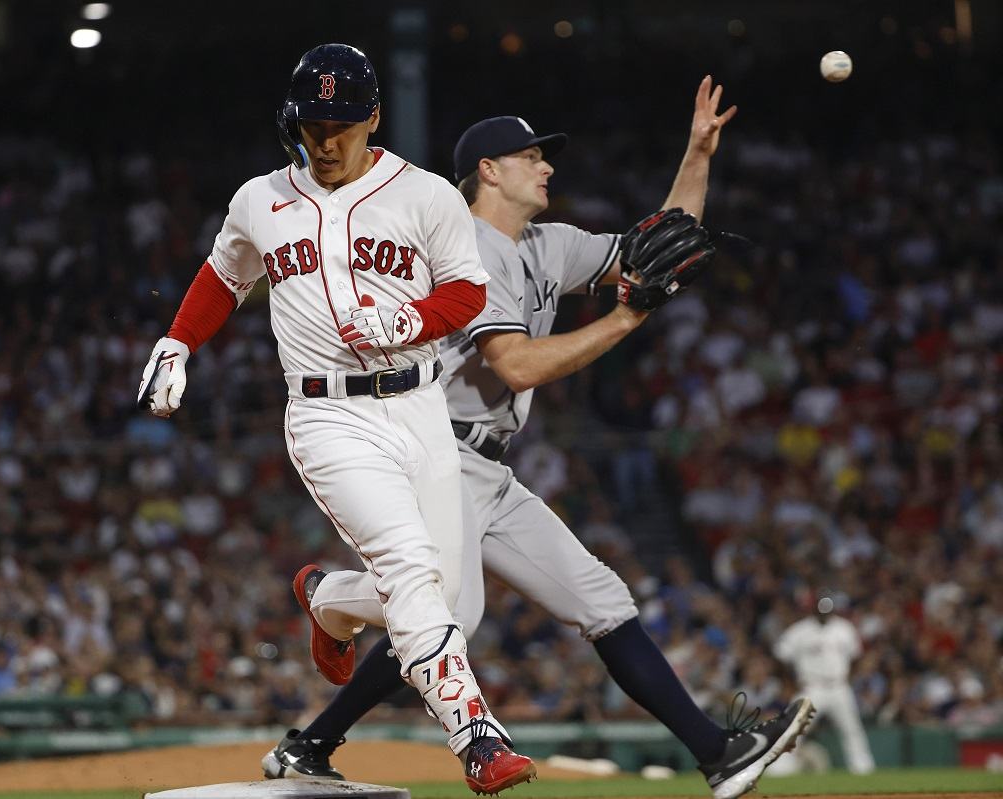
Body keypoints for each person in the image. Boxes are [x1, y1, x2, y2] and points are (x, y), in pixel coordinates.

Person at [263, 78, 815, 799]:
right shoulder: (464, 245)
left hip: (488, 466)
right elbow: (516, 362)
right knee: (452, 615)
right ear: (488, 170)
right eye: (529, 156)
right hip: (433, 452)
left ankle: (719, 753)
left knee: (601, 599)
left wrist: (698, 153)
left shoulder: (547, 244)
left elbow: (656, 247)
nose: (546, 166)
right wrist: (624, 321)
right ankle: (333, 604)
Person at [136, 43, 536, 795]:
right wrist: (176, 341)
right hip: (328, 417)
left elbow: (468, 293)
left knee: (436, 593)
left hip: (421, 406)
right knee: (413, 569)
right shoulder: (260, 198)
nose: (326, 139)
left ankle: (326, 598)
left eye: (343, 123)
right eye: (313, 123)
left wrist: (404, 319)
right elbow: (225, 275)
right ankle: (477, 734)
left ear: (374, 119)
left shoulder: (423, 195)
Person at [773, 594, 875, 774]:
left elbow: (856, 656)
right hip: (812, 687)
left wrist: (849, 678)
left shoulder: (844, 628)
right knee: (793, 728)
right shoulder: (800, 630)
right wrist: (790, 682)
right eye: (820, 609)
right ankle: (781, 768)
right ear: (813, 609)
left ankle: (862, 767)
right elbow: (781, 655)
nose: (824, 613)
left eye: (827, 609)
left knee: (852, 729)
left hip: (839, 686)